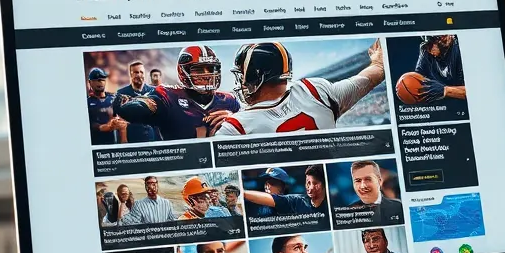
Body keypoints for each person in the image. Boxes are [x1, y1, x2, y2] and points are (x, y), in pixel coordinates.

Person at [209, 39, 384, 136]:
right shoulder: (316, 90)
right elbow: (375, 72)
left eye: (242, 75)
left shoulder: (235, 128)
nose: (241, 82)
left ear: (256, 76)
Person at [114, 46, 240, 140]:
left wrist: (234, 120)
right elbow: (133, 108)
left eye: (211, 68)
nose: (207, 74)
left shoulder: (229, 101)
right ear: (183, 71)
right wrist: (141, 105)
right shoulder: (169, 96)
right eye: (199, 69)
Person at [243, 165, 326, 216]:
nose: (267, 185)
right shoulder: (255, 204)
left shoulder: (294, 201)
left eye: (272, 182)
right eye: (266, 182)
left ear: (283, 186)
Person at [112, 60, 160, 143]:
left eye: (141, 72)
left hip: (151, 138)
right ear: (130, 74)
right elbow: (117, 119)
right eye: (136, 72)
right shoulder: (121, 93)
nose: (139, 75)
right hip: (132, 138)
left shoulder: (154, 91)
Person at [345, 160, 404, 225]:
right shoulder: (349, 211)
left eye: (368, 179)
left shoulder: (398, 206)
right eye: (358, 180)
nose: (363, 186)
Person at [412, 34, 466, 102]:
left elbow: (474, 91)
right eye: (428, 45)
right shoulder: (426, 50)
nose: (429, 50)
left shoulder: (461, 49)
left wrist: (445, 90)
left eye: (431, 45)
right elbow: (416, 80)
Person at [87, 67, 126, 145]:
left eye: (102, 79)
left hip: (114, 143)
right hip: (97, 143)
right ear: (90, 82)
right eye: (97, 80)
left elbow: (122, 123)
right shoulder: (87, 102)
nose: (100, 82)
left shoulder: (114, 98)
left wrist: (124, 142)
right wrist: (104, 127)